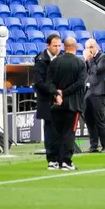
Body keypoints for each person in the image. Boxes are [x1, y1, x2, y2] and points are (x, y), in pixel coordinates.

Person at [47, 37, 86, 171]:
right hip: (73, 104)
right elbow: (80, 83)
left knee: (57, 133)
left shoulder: (55, 62)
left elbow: (49, 83)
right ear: (76, 47)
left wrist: (57, 94)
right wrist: (64, 93)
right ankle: (66, 161)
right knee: (69, 133)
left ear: (64, 47)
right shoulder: (80, 63)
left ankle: (55, 161)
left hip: (56, 104)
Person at [32, 32, 62, 164]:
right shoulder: (40, 60)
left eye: (59, 46)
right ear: (48, 45)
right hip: (46, 100)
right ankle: (51, 158)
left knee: (60, 129)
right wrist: (54, 92)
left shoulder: (61, 58)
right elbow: (39, 82)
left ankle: (61, 157)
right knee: (50, 129)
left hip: (61, 99)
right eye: (55, 46)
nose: (57, 48)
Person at [83, 38, 105, 153]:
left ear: (94, 47)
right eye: (86, 48)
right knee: (89, 121)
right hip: (87, 93)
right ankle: (93, 145)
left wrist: (89, 59)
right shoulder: (89, 59)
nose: (88, 50)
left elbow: (97, 71)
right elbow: (85, 73)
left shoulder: (103, 57)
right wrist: (86, 61)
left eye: (89, 48)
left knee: (99, 120)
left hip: (98, 93)